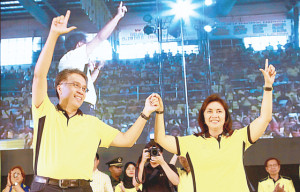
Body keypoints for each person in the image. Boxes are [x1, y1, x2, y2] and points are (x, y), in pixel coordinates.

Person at [30, 11, 159, 191]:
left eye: (84, 88)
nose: (81, 91)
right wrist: (53, 35)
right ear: (59, 87)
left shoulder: (92, 123)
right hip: (46, 187)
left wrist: (145, 113)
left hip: (81, 188)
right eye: (75, 85)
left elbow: (127, 140)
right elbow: (39, 75)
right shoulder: (45, 111)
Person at [154, 59, 276, 192]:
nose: (214, 115)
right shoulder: (190, 142)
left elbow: (265, 118)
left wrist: (268, 86)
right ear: (203, 118)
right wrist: (160, 111)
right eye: (209, 111)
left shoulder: (238, 137)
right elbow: (160, 139)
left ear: (225, 117)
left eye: (219, 111)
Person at [58, 2, 127, 115]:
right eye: (86, 44)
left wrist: (98, 68)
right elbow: (100, 37)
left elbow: (89, 81)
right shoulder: (76, 54)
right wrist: (118, 16)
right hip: (81, 106)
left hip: (79, 106)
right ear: (79, 44)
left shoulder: (71, 61)